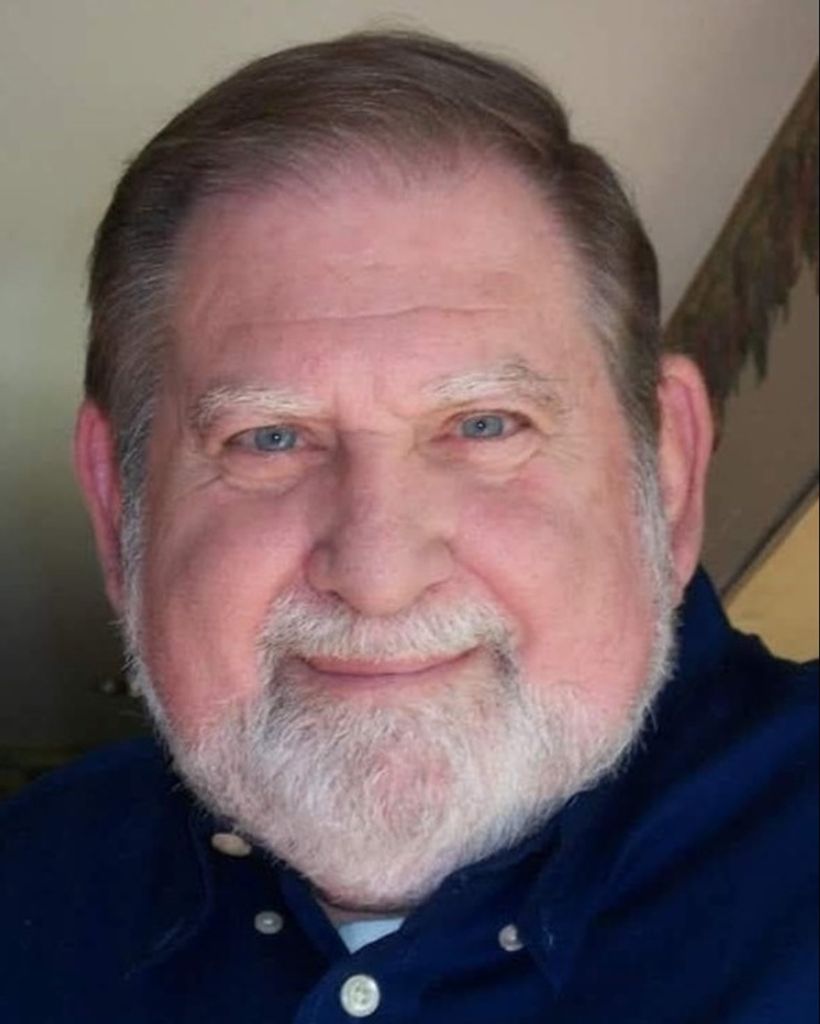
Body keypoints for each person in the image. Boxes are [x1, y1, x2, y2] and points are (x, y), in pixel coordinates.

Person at [1, 31, 816, 1024]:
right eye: (268, 438)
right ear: (117, 508)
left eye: (485, 425)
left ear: (670, 474)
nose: (378, 573)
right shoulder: (27, 891)